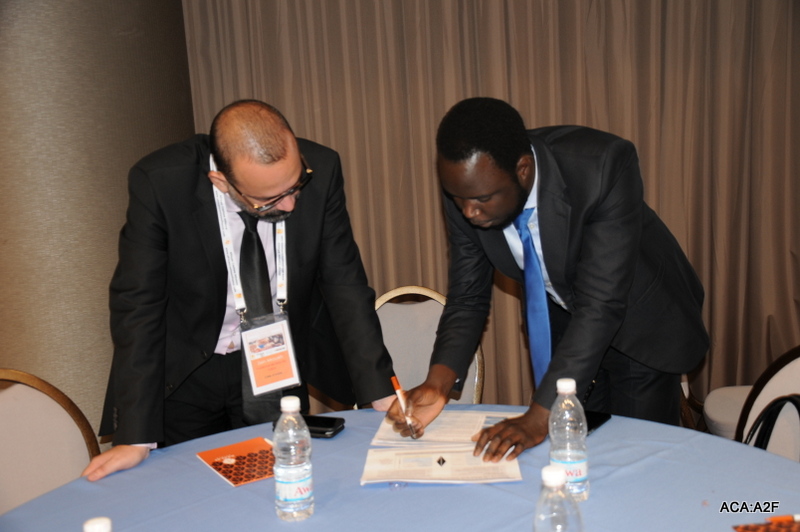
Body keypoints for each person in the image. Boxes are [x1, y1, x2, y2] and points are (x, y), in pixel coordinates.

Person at [84, 100, 395, 480]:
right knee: (192, 490)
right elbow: (138, 305)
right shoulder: (161, 182)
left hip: (273, 359)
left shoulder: (324, 167)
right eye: (270, 199)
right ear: (221, 182)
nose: (290, 204)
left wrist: (379, 389)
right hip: (188, 370)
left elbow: (345, 283)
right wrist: (135, 436)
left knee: (283, 478)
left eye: (296, 186)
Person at [388, 97, 708, 461]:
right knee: (577, 452)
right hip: (570, 323)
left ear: (523, 170)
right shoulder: (468, 190)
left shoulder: (602, 165)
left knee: (634, 459)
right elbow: (468, 296)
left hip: (640, 324)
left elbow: (601, 304)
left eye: (481, 199)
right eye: (457, 198)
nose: (468, 212)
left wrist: (539, 416)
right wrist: (438, 383)